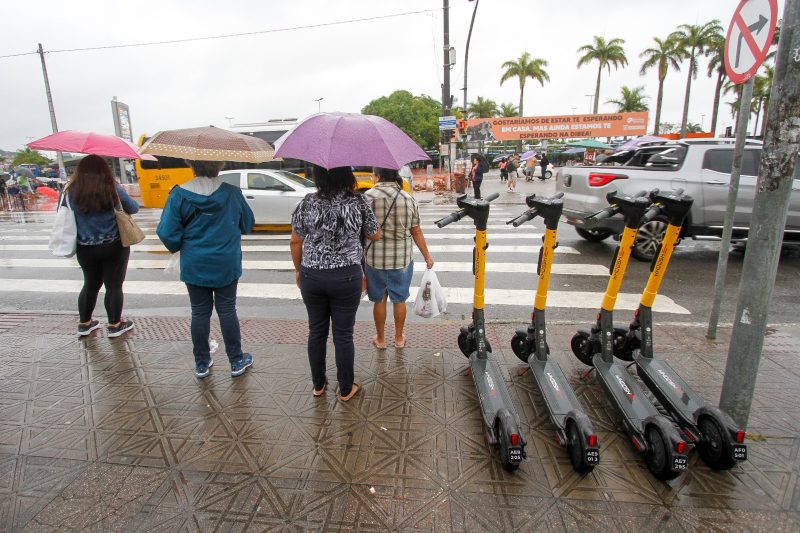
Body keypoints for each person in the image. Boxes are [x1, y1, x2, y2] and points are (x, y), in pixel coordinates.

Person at [157, 159, 255, 379]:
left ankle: (202, 363)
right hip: (226, 261)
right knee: (227, 310)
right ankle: (236, 360)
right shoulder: (232, 193)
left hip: (195, 262)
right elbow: (248, 223)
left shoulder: (178, 194)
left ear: (192, 166)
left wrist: (182, 245)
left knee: (199, 312)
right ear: (219, 166)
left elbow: (166, 232)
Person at [291, 165, 380, 401]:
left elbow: (295, 241)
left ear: (318, 176)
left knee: (316, 331)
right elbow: (374, 234)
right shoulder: (359, 202)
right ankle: (346, 388)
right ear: (346, 175)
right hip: (346, 276)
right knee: (343, 334)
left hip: (312, 275)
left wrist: (299, 270)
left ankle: (318, 385)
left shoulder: (307, 202)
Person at [66, 155, 138, 338]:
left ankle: (85, 324)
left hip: (85, 247)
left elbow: (64, 212)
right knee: (113, 286)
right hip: (113, 245)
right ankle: (115, 325)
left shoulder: (71, 189)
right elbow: (133, 208)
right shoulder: (111, 187)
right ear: (104, 169)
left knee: (90, 284)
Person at [364, 167, 434, 350]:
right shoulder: (407, 198)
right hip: (401, 259)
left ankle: (380, 339)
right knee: (399, 299)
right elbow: (416, 231)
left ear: (377, 176)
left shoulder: (367, 197)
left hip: (374, 259)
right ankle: (399, 338)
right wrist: (427, 256)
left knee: (379, 300)